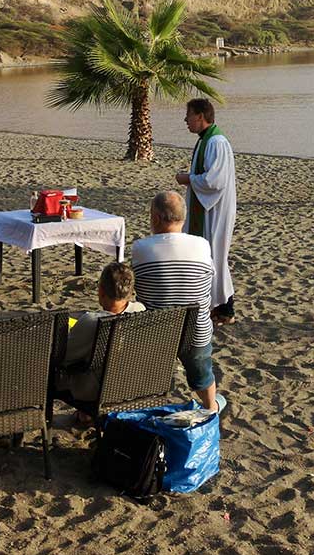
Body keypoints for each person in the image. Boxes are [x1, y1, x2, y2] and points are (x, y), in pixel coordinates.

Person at [131, 191, 219, 412]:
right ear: (183, 218)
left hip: (157, 332)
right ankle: (211, 407)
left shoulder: (142, 248)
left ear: (156, 218)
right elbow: (209, 278)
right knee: (203, 374)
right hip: (196, 330)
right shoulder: (202, 245)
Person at [175, 97, 237, 325]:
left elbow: (215, 181)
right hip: (206, 208)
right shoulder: (205, 141)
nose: (185, 120)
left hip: (215, 211)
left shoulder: (216, 142)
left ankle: (226, 310)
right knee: (209, 258)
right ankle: (218, 308)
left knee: (216, 258)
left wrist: (188, 179)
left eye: (189, 115)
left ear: (200, 116)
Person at [57, 263, 146, 418]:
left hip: (99, 391)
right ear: (130, 291)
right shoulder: (140, 310)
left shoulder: (92, 321)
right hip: (134, 384)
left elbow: (65, 357)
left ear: (101, 291)